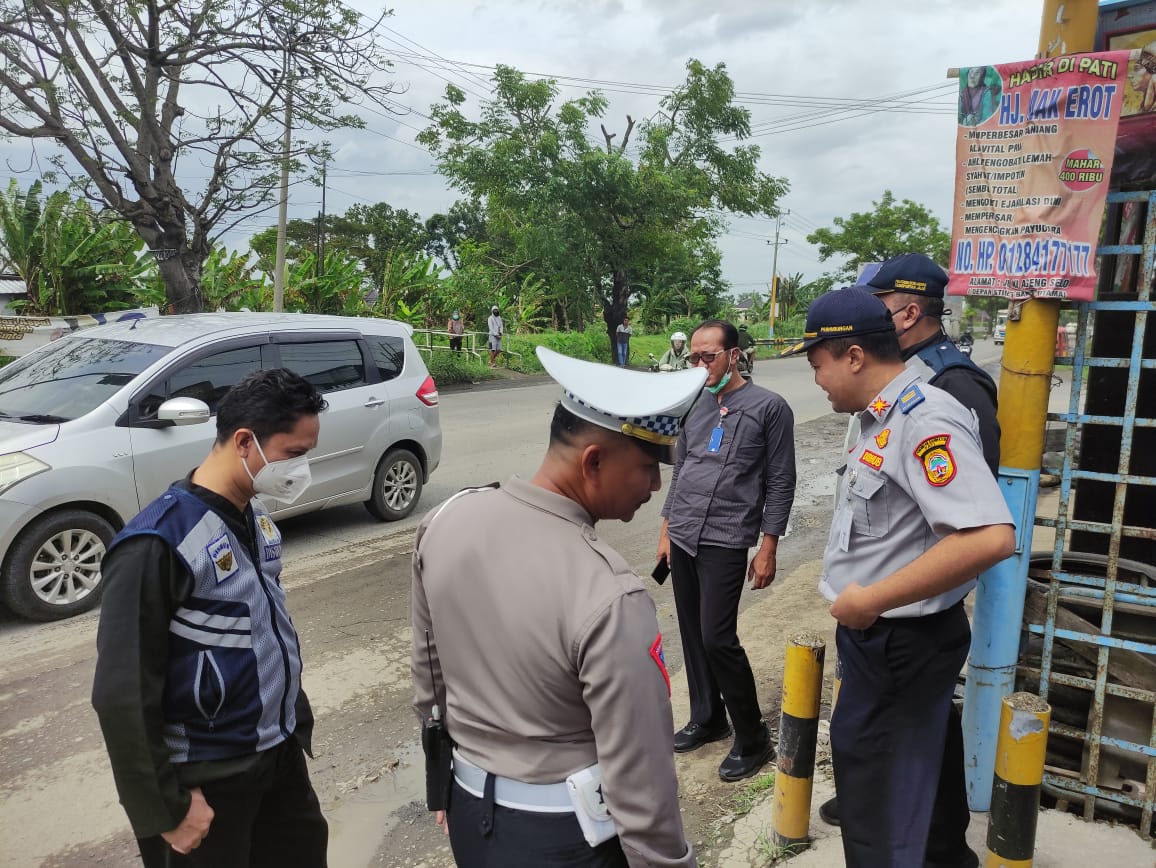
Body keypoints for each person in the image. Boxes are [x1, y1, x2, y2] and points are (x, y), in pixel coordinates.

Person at [412, 346, 703, 867]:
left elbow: (429, 679)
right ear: (593, 461)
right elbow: (640, 781)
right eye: (646, 466)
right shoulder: (610, 593)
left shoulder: (447, 519)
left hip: (468, 813)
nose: (656, 486)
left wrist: (446, 781)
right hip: (564, 837)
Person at [782, 288, 1015, 868]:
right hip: (886, 640)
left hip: (895, 641)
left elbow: (989, 536)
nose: (816, 381)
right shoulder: (880, 418)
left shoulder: (922, 419)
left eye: (818, 365)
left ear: (854, 355)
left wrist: (871, 598)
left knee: (878, 801)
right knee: (917, 787)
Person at [91, 368, 329, 868]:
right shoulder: (156, 544)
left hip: (277, 755)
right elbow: (122, 695)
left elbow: (263, 628)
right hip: (206, 779)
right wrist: (165, 808)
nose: (302, 469)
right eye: (295, 454)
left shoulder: (254, 517)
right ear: (245, 441)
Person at [656, 319, 796, 782]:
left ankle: (752, 737)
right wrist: (666, 528)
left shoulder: (768, 408)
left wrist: (768, 545)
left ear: (733, 355)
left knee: (718, 637)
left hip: (726, 536)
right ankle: (708, 717)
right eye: (692, 357)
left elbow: (779, 481)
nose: (699, 365)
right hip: (685, 533)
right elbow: (681, 469)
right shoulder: (695, 405)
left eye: (708, 357)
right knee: (693, 634)